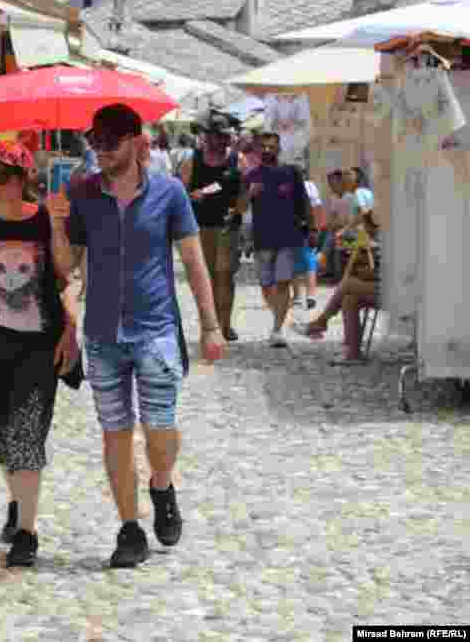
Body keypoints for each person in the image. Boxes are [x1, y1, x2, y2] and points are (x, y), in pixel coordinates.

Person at [49, 104, 224, 569]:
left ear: (136, 141)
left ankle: (162, 484)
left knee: (160, 428)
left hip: (157, 329)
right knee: (115, 432)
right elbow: (66, 267)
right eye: (95, 142)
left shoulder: (169, 194)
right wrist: (55, 224)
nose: (101, 151)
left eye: (110, 142)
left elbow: (193, 261)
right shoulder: (82, 194)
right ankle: (130, 528)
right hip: (104, 333)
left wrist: (210, 325)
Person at [0, 140, 81, 568]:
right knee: (0, 440)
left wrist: (70, 330)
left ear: (25, 179)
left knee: (26, 438)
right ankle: (17, 501)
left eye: (7, 176)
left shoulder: (45, 221)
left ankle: (27, 532)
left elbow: (66, 277)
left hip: (38, 350)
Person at [238, 132, 312, 348]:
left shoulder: (292, 172)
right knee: (266, 284)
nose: (267, 150)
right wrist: (249, 194)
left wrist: (312, 228)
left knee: (282, 282)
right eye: (263, 147)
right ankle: (279, 315)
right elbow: (240, 208)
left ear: (279, 149)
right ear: (257, 150)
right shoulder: (250, 176)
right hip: (262, 238)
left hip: (288, 236)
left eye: (272, 147)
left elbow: (304, 202)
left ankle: (277, 328)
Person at [179, 110, 244, 342]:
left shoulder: (237, 160)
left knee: (225, 276)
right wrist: (190, 196)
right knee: (206, 277)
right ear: (208, 137)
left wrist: (240, 213)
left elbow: (244, 191)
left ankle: (224, 325)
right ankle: (210, 325)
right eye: (218, 136)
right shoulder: (192, 161)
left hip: (228, 226)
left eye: (226, 136)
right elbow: (181, 193)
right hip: (200, 227)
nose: (223, 140)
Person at [295, 210, 382, 365]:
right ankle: (353, 354)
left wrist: (363, 263)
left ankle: (320, 322)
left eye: (365, 226)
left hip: (388, 292)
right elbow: (340, 241)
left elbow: (383, 275)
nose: (363, 229)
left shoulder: (384, 243)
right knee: (349, 299)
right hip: (376, 287)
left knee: (348, 284)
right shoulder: (367, 241)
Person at [290, 170, 327, 321]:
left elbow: (317, 208)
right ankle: (309, 295)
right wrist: (317, 228)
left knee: (295, 260)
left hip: (296, 227)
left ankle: (299, 296)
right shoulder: (310, 186)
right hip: (305, 227)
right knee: (308, 260)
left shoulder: (290, 187)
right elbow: (317, 208)